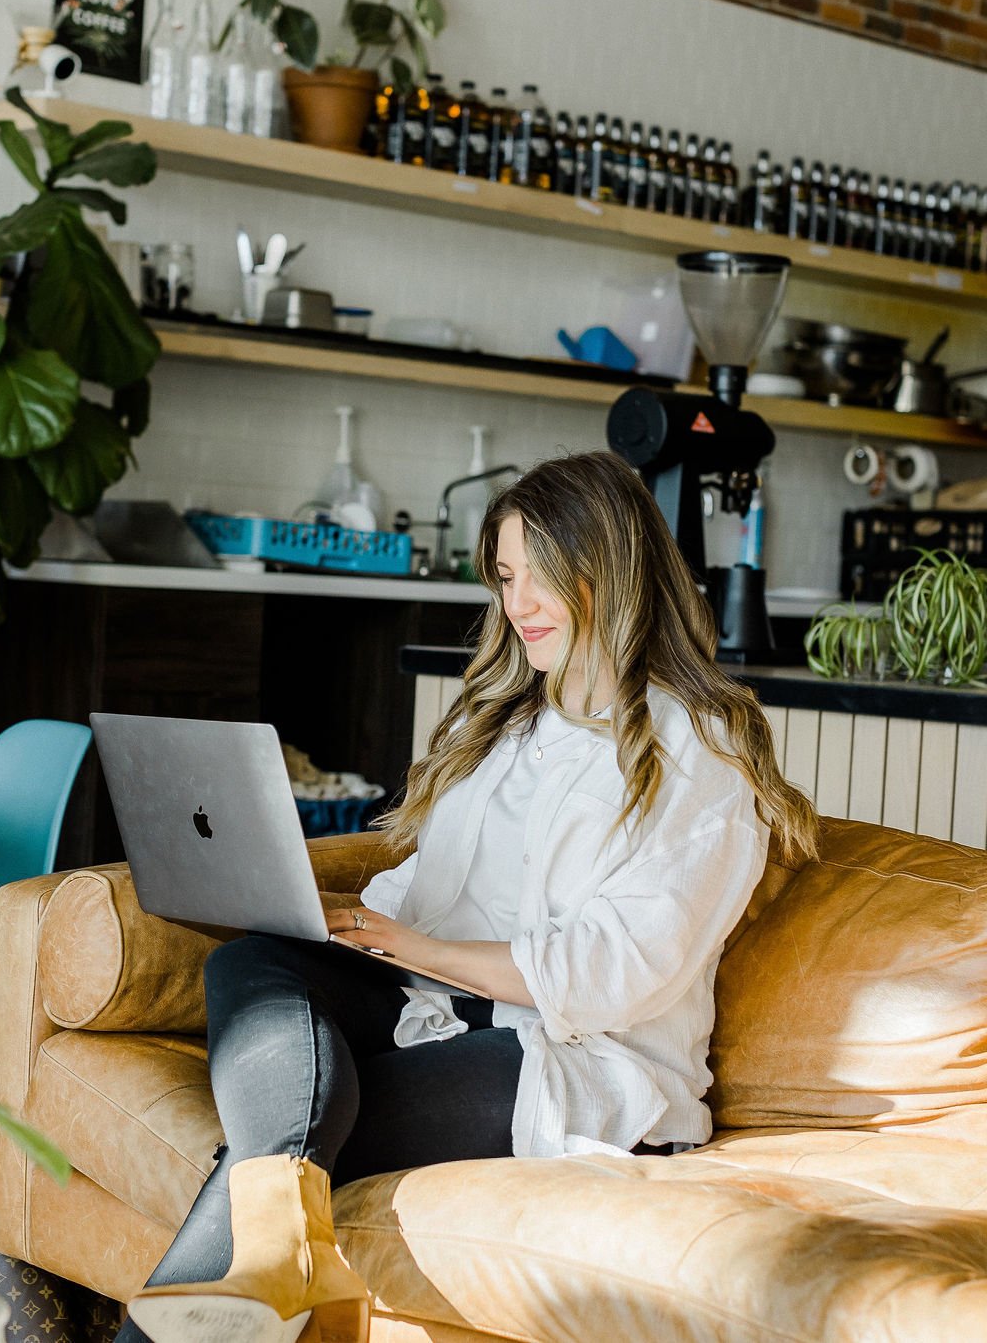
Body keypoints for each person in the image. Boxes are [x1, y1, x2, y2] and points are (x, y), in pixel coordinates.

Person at [122, 451, 818, 1343]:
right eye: (504, 578)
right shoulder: (509, 724)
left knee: (283, 1135)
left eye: (539, 577)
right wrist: (343, 922)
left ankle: (244, 1273)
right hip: (439, 1005)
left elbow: (613, 974)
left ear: (607, 568)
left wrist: (411, 947)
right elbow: (429, 885)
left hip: (579, 1058)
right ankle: (288, 1251)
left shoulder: (701, 752)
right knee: (253, 963)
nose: (516, 603)